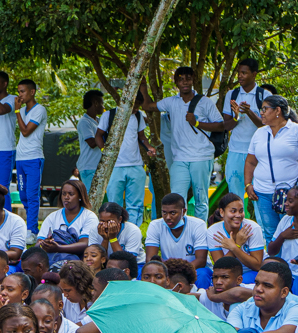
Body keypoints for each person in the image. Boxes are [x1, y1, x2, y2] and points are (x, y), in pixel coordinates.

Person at [139, 67, 225, 221]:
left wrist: (197, 123)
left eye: (188, 78)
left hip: (201, 156)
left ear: (193, 81)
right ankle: (179, 232)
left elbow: (220, 125)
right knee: (177, 200)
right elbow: (147, 106)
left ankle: (199, 235)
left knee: (201, 199)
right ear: (176, 82)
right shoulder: (171, 102)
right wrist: (143, 87)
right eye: (181, 78)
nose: (185, 81)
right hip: (179, 159)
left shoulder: (204, 102)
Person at [245, 95, 298, 241]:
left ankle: (292, 262)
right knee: (270, 233)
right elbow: (250, 161)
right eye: (261, 109)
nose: (261, 113)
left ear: (277, 110)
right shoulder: (259, 133)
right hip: (262, 192)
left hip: (290, 192)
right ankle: (274, 263)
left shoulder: (297, 131)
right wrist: (248, 184)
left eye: (265, 109)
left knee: (293, 231)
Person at [96, 94, 152, 224]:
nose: (136, 109)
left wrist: (149, 147)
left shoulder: (138, 116)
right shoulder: (109, 115)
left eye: (138, 106)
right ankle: (115, 233)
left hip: (136, 166)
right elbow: (98, 136)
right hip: (115, 167)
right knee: (114, 205)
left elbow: (142, 136)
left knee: (136, 205)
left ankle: (133, 234)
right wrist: (105, 153)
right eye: (135, 105)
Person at [221, 58, 267, 200]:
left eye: (244, 73)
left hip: (258, 153)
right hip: (235, 152)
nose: (240, 76)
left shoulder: (265, 96)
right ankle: (238, 222)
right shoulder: (232, 95)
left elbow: (266, 126)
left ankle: (260, 223)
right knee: (235, 196)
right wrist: (236, 117)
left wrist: (249, 113)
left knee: (258, 194)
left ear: (254, 74)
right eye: (238, 73)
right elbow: (226, 126)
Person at [145, 192, 210, 288]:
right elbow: (150, 259)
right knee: (145, 273)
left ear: (183, 211)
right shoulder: (155, 225)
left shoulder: (198, 225)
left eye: (173, 213)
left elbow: (201, 260)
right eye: (164, 212)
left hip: (194, 269)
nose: (168, 217)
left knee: (202, 274)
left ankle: (200, 301)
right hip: (167, 270)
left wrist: (179, 273)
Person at [12, 79, 47, 242]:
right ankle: (29, 227)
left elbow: (25, 131)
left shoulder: (39, 110)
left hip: (34, 158)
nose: (20, 95)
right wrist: (19, 111)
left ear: (32, 92)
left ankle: (32, 230)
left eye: (23, 91)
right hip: (20, 158)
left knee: (32, 195)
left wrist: (17, 111)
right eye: (18, 92)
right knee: (24, 195)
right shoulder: (23, 110)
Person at [36, 179, 99, 265]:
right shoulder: (53, 216)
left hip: (77, 261)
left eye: (71, 194)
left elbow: (85, 244)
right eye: (64, 194)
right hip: (52, 258)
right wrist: (45, 244)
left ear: (80, 196)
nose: (66, 197)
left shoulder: (89, 217)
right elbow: (38, 243)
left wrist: (59, 248)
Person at [209, 192, 264, 283]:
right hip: (227, 275)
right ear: (222, 212)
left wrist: (234, 247)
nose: (238, 215)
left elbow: (257, 265)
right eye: (233, 211)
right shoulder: (213, 231)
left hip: (251, 272)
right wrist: (237, 244)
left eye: (241, 211)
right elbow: (221, 266)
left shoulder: (252, 228)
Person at [198, 256, 245, 320]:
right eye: (215, 277)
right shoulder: (207, 296)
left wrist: (213, 297)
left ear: (239, 280)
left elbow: (238, 294)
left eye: (225, 277)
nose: (218, 282)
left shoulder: (251, 292)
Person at [76, 90, 105, 191]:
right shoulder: (84, 122)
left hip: (97, 166)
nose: (103, 107)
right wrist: (102, 135)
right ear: (95, 103)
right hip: (89, 167)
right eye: (102, 103)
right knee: (91, 199)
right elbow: (92, 143)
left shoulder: (99, 120)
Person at [58, 260, 95, 324]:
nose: (65, 295)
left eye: (68, 290)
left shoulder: (96, 303)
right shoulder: (63, 300)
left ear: (81, 286)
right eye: (63, 290)